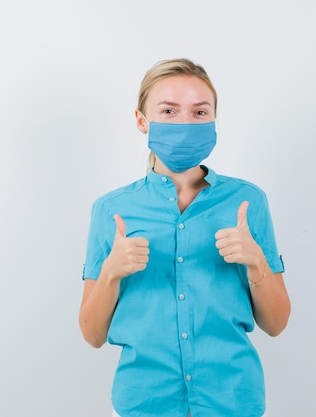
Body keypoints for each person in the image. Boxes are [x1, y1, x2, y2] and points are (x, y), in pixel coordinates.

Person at [78, 58, 291, 417]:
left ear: (213, 121)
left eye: (199, 112)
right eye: (169, 110)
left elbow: (276, 323)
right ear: (142, 121)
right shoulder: (111, 209)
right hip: (143, 403)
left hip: (232, 400)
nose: (185, 123)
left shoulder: (247, 201)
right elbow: (92, 334)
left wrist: (256, 261)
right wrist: (112, 272)